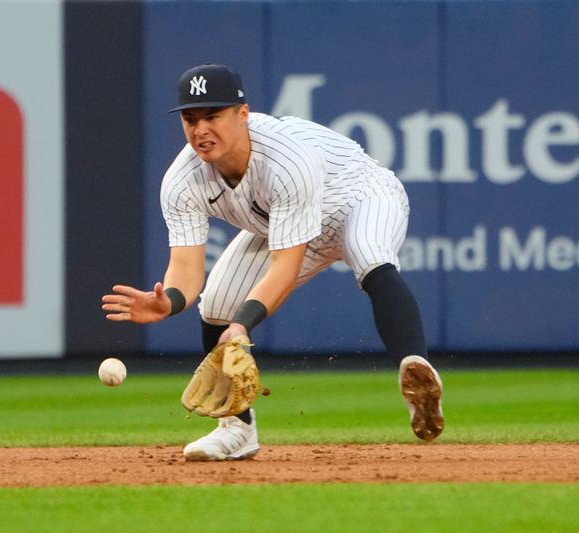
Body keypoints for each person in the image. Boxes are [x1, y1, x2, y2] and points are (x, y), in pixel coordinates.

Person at [102, 63, 444, 461]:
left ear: (242, 114)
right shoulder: (182, 181)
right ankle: (236, 429)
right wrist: (171, 300)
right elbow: (186, 267)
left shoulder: (285, 159)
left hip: (358, 195)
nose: (200, 129)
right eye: (190, 119)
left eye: (212, 116)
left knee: (371, 256)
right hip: (283, 223)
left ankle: (414, 367)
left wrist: (242, 325)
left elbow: (286, 266)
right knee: (214, 306)